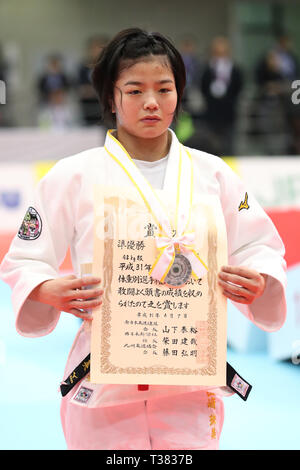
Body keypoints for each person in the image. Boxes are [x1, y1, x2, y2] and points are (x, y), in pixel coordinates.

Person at [0, 28, 286, 450]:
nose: (151, 102)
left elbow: (259, 244)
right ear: (110, 97)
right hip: (102, 382)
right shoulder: (72, 176)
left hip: (191, 382)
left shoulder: (215, 175)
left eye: (164, 89)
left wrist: (259, 277)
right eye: (134, 90)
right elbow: (25, 259)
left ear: (179, 94)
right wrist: (48, 289)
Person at [200, 36, 243, 156]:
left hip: (229, 112)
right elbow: (203, 87)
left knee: (229, 145)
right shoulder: (207, 69)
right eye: (217, 53)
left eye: (222, 52)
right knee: (211, 144)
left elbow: (239, 87)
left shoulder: (234, 69)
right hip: (212, 113)